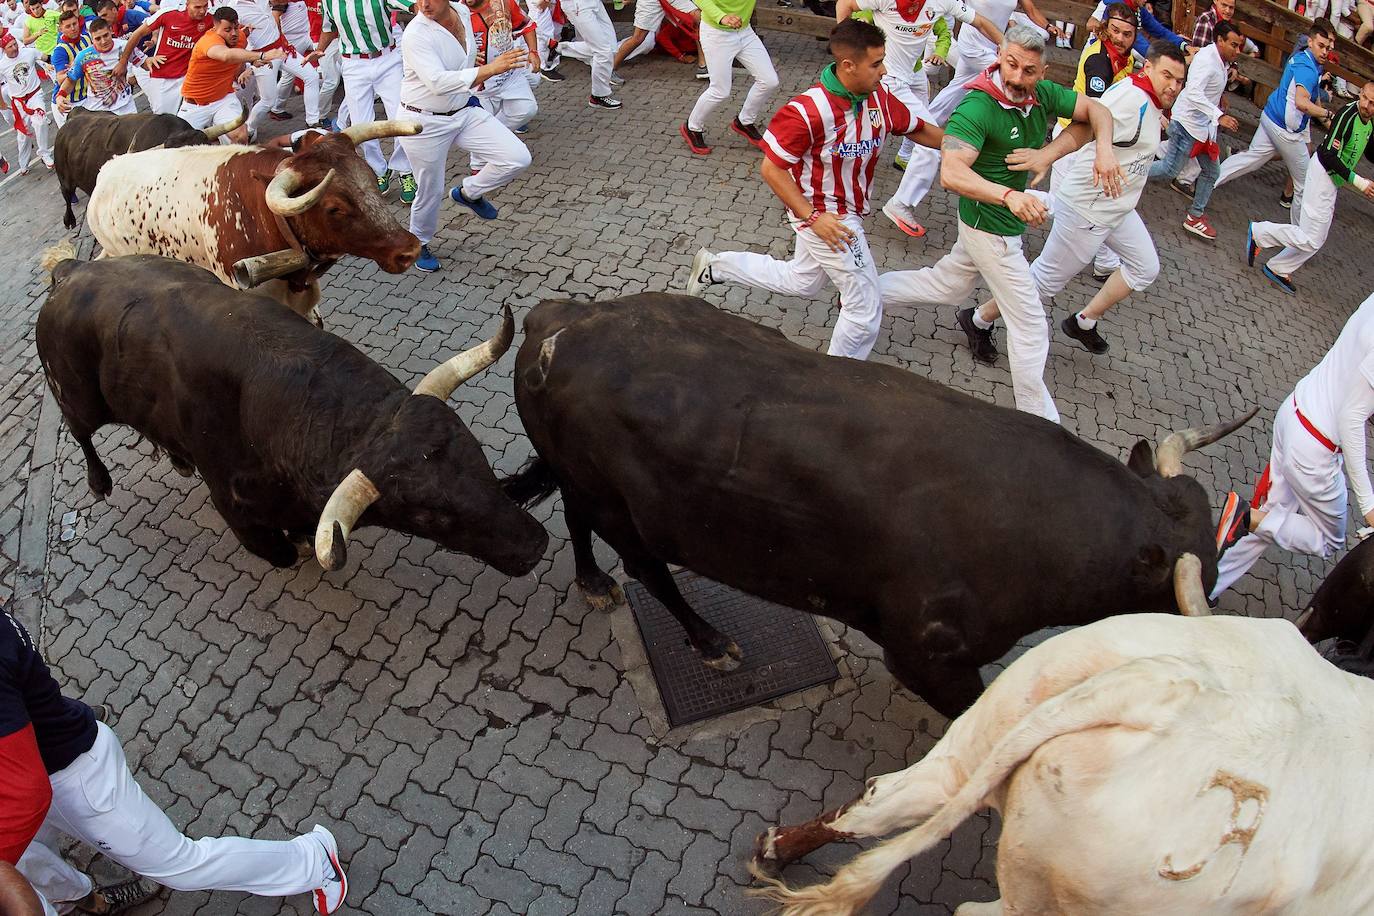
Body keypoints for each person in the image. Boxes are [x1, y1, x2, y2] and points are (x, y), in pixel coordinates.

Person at [0, 603, 348, 915]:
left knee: (182, 864)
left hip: (76, 777)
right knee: (31, 859)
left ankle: (313, 860)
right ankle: (73, 900)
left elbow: (29, 793)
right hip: (42, 770)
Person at [877, 24, 1121, 422]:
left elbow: (1097, 112)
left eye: (1028, 70)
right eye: (1010, 65)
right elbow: (952, 174)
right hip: (989, 230)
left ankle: (867, 292)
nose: (1016, 78)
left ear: (1042, 73)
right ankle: (1040, 425)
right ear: (999, 58)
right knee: (1030, 326)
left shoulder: (1042, 94)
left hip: (996, 225)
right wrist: (1010, 195)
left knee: (946, 285)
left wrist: (1057, 155)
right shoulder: (975, 108)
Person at [685, 18, 944, 359]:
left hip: (843, 212)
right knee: (864, 308)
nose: (883, 71)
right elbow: (772, 169)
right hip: (827, 218)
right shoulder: (805, 112)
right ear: (848, 66)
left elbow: (917, 128)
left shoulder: (878, 97)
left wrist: (969, 149)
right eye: (876, 63)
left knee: (801, 281)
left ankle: (716, 267)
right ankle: (838, 385)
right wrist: (813, 218)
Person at [980, 41, 1185, 356]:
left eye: (1179, 81)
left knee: (1145, 267)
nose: (1173, 86)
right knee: (1044, 282)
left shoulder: (1152, 100)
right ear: (1149, 68)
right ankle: (978, 319)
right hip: (1089, 211)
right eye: (1167, 76)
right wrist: (1046, 155)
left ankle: (1083, 322)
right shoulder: (1132, 99)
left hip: (1118, 209)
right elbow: (1086, 124)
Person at [1214, 293, 1374, 600]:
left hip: (1295, 412)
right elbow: (1352, 418)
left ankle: (1210, 583)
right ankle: (1245, 517)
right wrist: (1368, 506)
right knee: (1328, 539)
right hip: (1315, 449)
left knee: (1272, 518)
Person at [837, 0, 1004, 237]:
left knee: (915, 125)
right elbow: (844, 4)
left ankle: (901, 156)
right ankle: (900, 204)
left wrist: (1005, 45)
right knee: (931, 146)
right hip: (891, 79)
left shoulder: (943, 1)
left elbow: (981, 22)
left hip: (914, 73)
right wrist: (846, 47)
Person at [397, 0, 531, 271]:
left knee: (517, 157)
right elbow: (437, 82)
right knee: (430, 189)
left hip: (462, 110)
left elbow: (462, 53)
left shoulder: (461, 12)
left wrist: (472, 62)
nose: (423, 5)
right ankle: (418, 242)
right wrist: (489, 69)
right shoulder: (415, 34)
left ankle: (469, 193)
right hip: (423, 120)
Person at [1247, 81, 1374, 293]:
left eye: (1372, 103)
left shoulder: (1369, 121)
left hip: (1333, 181)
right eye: (1364, 99)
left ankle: (1278, 267)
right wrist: (1360, 182)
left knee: (1317, 238)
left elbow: (1369, 151)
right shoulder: (1347, 116)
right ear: (1360, 95)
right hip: (1322, 175)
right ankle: (1259, 232)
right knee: (1310, 237)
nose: (1367, 105)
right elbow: (1327, 154)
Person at [1211, 19, 1336, 221]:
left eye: (1328, 47)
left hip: (1271, 116)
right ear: (1311, 41)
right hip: (1285, 129)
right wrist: (1328, 115)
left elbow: (1312, 97)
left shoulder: (1307, 58)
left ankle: (1208, 182)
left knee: (1251, 158)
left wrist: (1326, 118)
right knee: (1305, 182)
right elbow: (1302, 103)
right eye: (1321, 46)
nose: (1324, 51)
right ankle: (1299, 232)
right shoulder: (1308, 68)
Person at [1146, 20, 1244, 240]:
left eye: (1239, 46)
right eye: (1234, 45)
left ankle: (1195, 216)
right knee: (1169, 170)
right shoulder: (1207, 61)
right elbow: (1194, 94)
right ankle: (1130, 174)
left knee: (1211, 171)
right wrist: (1220, 115)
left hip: (1202, 128)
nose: (1237, 51)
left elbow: (1207, 89)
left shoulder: (1219, 60)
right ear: (1220, 41)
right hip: (1187, 125)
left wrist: (1221, 98)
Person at [318, 0, 418, 198]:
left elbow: (413, 6)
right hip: (353, 65)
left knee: (400, 116)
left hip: (387, 59)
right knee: (360, 124)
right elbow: (329, 28)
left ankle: (405, 170)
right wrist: (319, 50)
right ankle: (378, 171)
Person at [924, 0, 1057, 123]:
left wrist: (1048, 26)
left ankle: (924, 124)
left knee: (956, 90)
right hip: (972, 45)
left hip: (994, 46)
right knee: (1010, 78)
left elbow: (1031, 10)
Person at [679, 0, 778, 153]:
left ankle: (744, 122)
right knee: (720, 90)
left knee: (769, 81)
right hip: (716, 34)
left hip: (745, 32)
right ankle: (692, 127)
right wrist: (721, 16)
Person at [178, 7, 280, 143]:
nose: (233, 33)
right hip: (195, 105)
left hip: (223, 100)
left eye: (236, 28)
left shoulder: (240, 38)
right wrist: (261, 55)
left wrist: (251, 63)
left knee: (241, 136)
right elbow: (226, 55)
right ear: (215, 27)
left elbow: (236, 67)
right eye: (227, 30)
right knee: (179, 147)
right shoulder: (208, 41)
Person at [233, 0, 323, 138]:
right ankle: (249, 130)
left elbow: (278, 3)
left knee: (312, 76)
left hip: (282, 49)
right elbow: (229, 36)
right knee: (267, 101)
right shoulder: (234, 6)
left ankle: (313, 123)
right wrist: (248, 60)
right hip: (262, 56)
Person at [112, 0, 210, 114]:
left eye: (205, 6)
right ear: (187, 5)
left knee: (196, 117)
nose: (202, 11)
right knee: (163, 120)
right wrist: (123, 63)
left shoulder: (211, 20)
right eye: (197, 7)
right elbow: (137, 34)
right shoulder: (168, 14)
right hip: (164, 77)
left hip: (190, 77)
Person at [463, 0, 539, 139]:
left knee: (527, 109)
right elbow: (444, 48)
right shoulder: (456, 14)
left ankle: (494, 138)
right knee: (479, 130)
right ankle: (483, 153)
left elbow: (526, 25)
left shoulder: (504, 3)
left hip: (510, 75)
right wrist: (467, 56)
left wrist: (533, 52)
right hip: (481, 85)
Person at [54, 17, 144, 115]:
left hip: (126, 107)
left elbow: (145, 62)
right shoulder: (83, 56)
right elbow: (71, 80)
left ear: (111, 31)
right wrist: (60, 96)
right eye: (98, 38)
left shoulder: (125, 46)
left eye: (105, 35)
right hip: (99, 112)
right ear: (92, 38)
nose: (103, 41)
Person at [0, 31, 53, 172]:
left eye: (15, 44)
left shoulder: (28, 53)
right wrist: (2, 104)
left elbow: (44, 57)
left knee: (40, 121)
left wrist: (49, 63)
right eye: (10, 46)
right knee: (23, 136)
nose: (14, 48)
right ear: (4, 49)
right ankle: (23, 164)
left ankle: (44, 154)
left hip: (35, 95)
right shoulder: (2, 65)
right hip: (19, 103)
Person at [612, 0, 700, 77]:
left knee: (698, 17)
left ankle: (703, 66)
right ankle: (610, 70)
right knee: (638, 38)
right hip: (650, 2)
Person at [557, 0, 619, 107]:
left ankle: (557, 48)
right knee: (602, 51)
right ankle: (599, 96)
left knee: (610, 47)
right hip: (577, 5)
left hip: (594, 2)